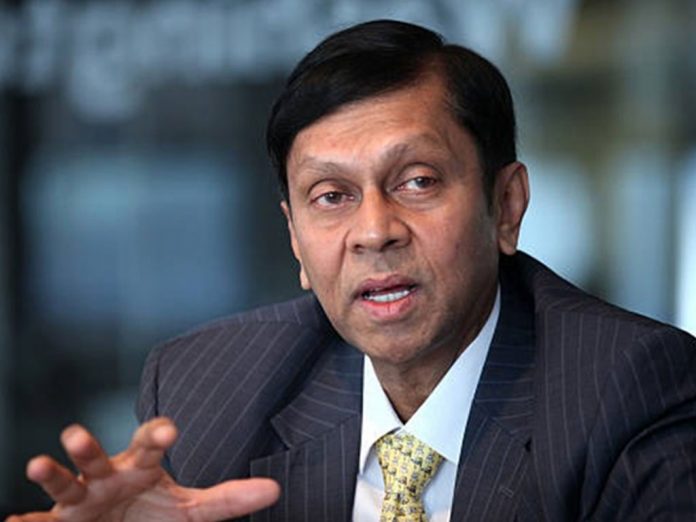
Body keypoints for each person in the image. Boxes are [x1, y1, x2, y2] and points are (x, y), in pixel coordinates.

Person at [9, 19, 696, 522]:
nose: (374, 232)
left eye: (418, 181)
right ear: (295, 240)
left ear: (507, 205)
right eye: (332, 196)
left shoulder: (631, 388)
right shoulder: (205, 392)